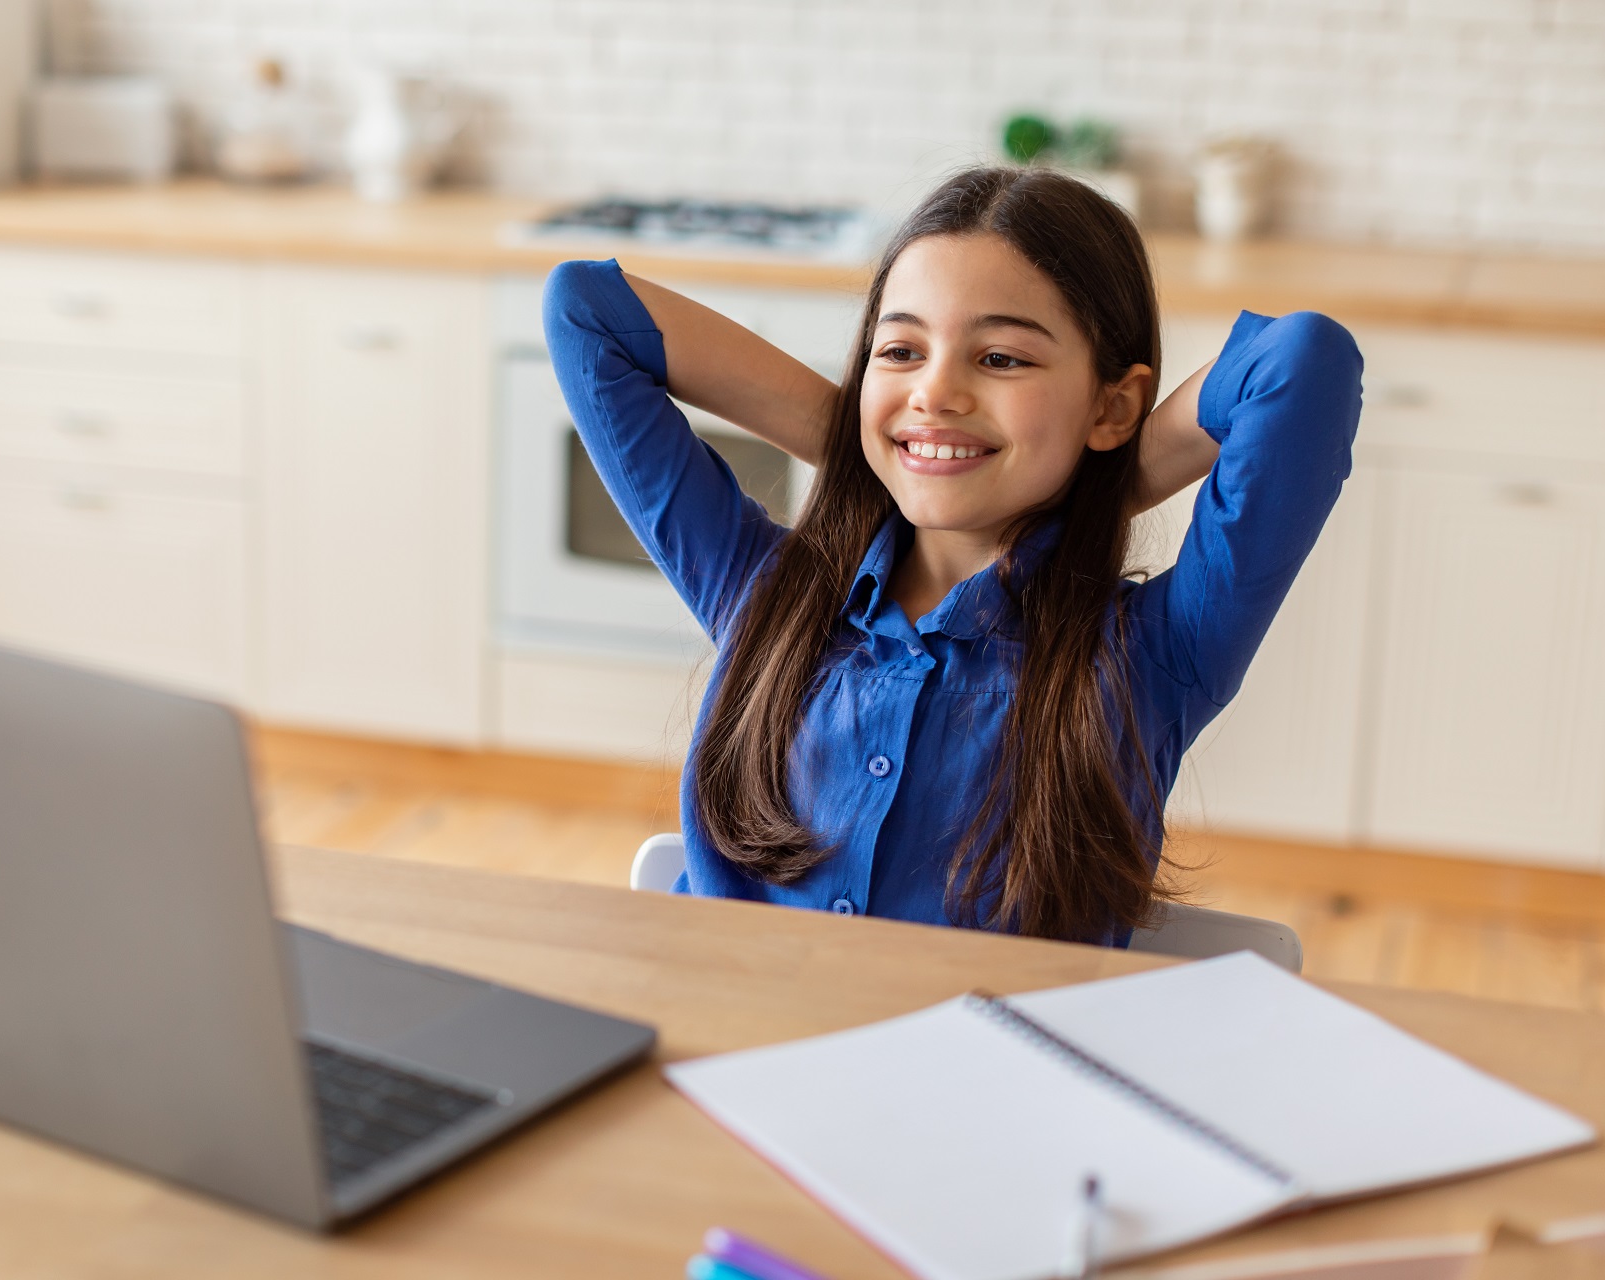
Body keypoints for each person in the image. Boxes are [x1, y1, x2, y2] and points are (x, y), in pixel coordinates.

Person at [543, 167, 1363, 945]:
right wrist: (878, 448)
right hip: (721, 1055)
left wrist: (1096, 482)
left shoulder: (1153, 653)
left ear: (1113, 405)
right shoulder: (766, 593)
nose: (936, 391)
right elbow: (585, 310)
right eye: (900, 352)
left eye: (1001, 357)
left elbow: (1301, 364)